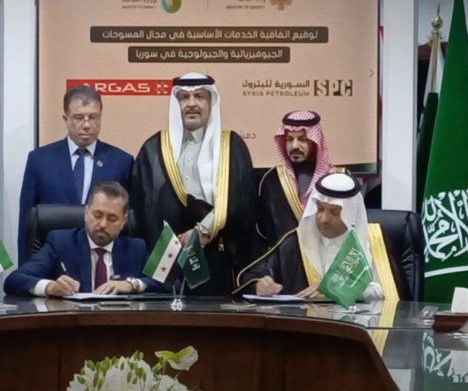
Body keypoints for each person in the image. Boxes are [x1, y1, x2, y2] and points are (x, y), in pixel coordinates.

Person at [130, 72, 256, 295]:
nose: (191, 104)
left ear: (211, 102)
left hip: (215, 254)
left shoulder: (231, 146)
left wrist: (203, 230)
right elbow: (142, 209)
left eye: (199, 96)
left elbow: (240, 200)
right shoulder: (153, 149)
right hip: (166, 256)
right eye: (184, 97)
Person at [236, 173, 402, 302]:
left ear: (351, 214)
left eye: (334, 212)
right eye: (320, 209)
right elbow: (253, 275)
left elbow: (390, 292)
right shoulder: (296, 242)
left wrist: (337, 289)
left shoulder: (373, 241)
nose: (323, 219)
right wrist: (258, 285)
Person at [18, 85, 134, 265]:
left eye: (93, 117)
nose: (86, 125)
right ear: (66, 119)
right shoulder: (40, 160)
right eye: (78, 118)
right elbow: (27, 224)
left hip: (103, 263)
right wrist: (25, 272)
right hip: (53, 263)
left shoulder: (121, 162)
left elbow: (129, 224)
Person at [5, 181, 163, 297]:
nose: (103, 224)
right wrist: (50, 287)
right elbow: (14, 280)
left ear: (123, 221)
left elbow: (167, 284)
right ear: (86, 213)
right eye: (97, 215)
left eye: (112, 219)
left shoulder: (136, 249)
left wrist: (132, 284)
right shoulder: (61, 243)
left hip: (120, 327)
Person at [258, 110, 339, 250]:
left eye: (302, 139)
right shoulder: (272, 180)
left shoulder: (337, 180)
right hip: (283, 260)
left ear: (315, 142)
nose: (295, 146)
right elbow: (264, 232)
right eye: (289, 139)